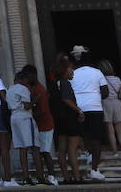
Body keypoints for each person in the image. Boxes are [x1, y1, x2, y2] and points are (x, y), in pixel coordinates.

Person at [69, 46, 108, 180]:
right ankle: (95, 169)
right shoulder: (97, 72)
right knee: (96, 138)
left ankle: (87, 153)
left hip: (79, 108)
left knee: (83, 134)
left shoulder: (73, 73)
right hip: (95, 107)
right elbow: (105, 92)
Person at [49, 56, 82, 185]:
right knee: (72, 148)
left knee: (62, 149)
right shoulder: (65, 83)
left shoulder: (53, 84)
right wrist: (79, 110)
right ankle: (77, 177)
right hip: (70, 118)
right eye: (70, 68)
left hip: (59, 119)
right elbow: (66, 99)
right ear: (64, 70)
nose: (72, 71)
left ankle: (66, 177)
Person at [24, 66, 58, 185]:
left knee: (45, 151)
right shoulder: (32, 88)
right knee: (39, 151)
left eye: (28, 76)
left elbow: (43, 110)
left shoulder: (40, 89)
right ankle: (42, 175)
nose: (27, 79)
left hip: (45, 125)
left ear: (34, 75)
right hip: (39, 125)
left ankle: (52, 176)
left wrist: (30, 115)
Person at [8, 67, 41, 186]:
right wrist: (36, 100)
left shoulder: (10, 89)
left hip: (14, 117)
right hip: (24, 118)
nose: (28, 82)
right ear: (22, 79)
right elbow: (27, 106)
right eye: (26, 80)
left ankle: (26, 177)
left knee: (23, 148)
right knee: (35, 147)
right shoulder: (23, 89)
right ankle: (40, 176)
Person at [101, 60, 121, 157]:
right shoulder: (117, 79)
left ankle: (115, 152)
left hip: (106, 103)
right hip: (117, 103)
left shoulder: (101, 79)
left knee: (110, 130)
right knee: (119, 130)